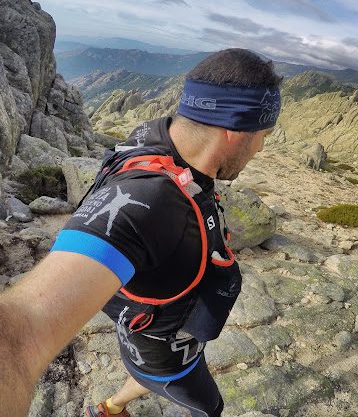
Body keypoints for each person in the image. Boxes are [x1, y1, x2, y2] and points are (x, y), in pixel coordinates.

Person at [0, 48, 282, 417]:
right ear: (235, 130)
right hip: (163, 351)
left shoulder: (157, 140)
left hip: (147, 330)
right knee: (209, 406)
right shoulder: (149, 201)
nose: (261, 148)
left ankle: (111, 408)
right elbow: (18, 340)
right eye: (263, 134)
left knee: (147, 374)